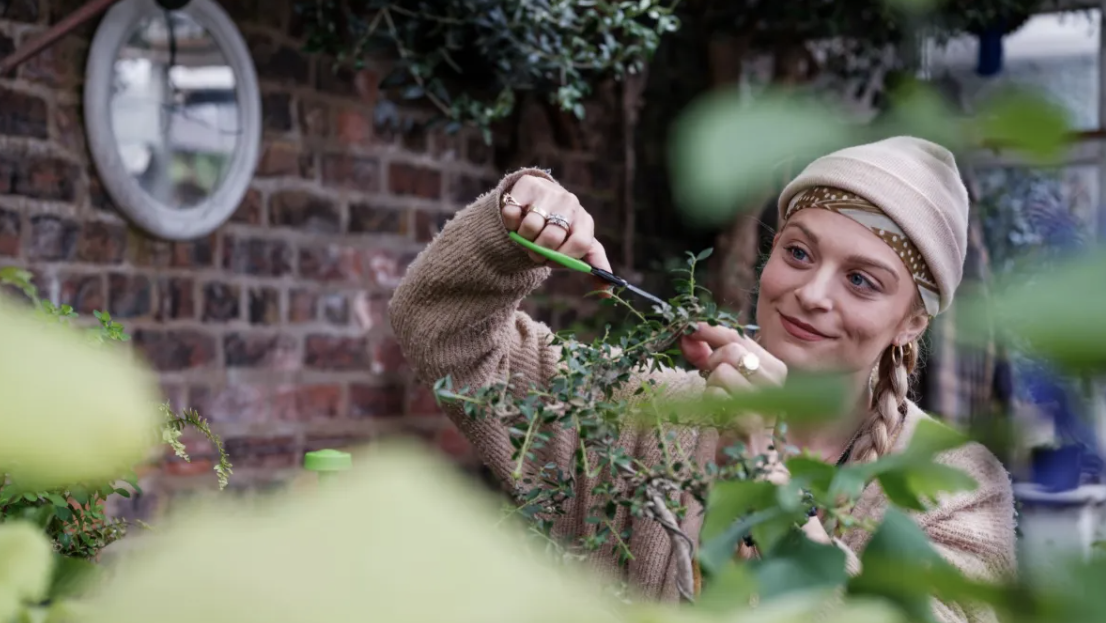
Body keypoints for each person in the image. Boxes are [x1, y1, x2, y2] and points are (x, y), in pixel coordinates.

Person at [388, 136, 1017, 620]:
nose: (811, 293)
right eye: (798, 253)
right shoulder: (644, 413)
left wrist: (767, 475)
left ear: (911, 321)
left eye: (861, 280)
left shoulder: (958, 486)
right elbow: (448, 338)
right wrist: (513, 227)